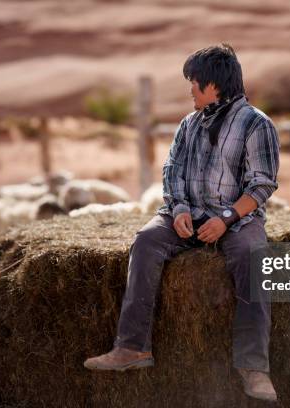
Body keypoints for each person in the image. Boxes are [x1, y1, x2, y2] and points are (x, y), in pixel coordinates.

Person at [84, 43, 280, 402]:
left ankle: (254, 367)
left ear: (212, 84)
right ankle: (132, 348)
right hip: (187, 215)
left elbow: (262, 183)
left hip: (237, 219)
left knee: (254, 257)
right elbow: (171, 172)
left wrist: (225, 218)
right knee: (145, 241)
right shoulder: (188, 125)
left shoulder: (256, 124)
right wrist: (178, 210)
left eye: (193, 82)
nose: (189, 88)